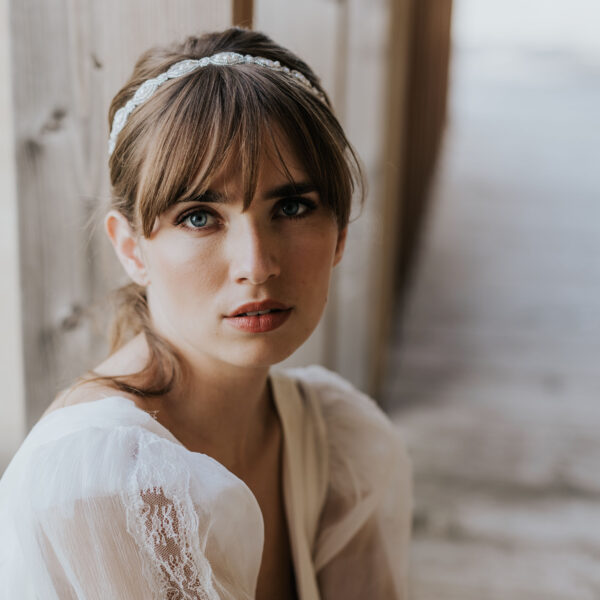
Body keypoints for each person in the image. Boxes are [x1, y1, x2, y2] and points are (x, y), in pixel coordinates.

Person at [0, 27, 412, 600]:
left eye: (291, 206)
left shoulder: (338, 441)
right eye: (199, 216)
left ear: (340, 233)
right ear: (131, 248)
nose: (257, 264)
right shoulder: (100, 481)